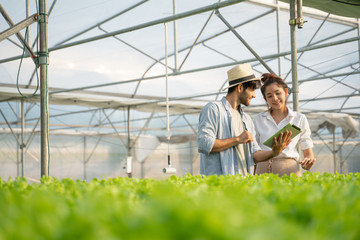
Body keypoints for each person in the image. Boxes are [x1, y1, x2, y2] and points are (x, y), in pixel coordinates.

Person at [197, 63, 263, 176]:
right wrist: (237, 139)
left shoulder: (247, 119)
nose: (254, 95)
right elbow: (204, 143)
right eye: (252, 89)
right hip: (219, 186)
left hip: (243, 184)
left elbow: (254, 153)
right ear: (240, 87)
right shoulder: (213, 109)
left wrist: (275, 152)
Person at [253, 73, 316, 177]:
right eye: (269, 96)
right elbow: (254, 151)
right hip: (262, 170)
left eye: (278, 93)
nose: (275, 98)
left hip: (289, 170)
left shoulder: (299, 118)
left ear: (286, 92)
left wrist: (308, 161)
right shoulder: (259, 119)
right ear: (265, 99)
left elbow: (308, 152)